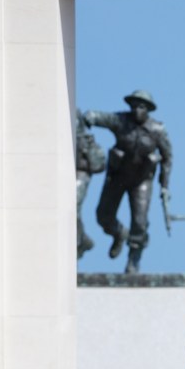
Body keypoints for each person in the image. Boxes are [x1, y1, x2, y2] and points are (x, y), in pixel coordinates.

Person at [83, 90, 172, 274]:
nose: (136, 110)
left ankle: (134, 260)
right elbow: (100, 117)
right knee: (103, 215)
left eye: (141, 106)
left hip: (141, 180)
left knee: (139, 222)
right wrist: (90, 117)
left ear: (148, 109)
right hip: (118, 176)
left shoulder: (157, 130)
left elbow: (167, 158)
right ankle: (119, 233)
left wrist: (164, 186)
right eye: (133, 106)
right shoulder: (121, 121)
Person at [75, 109, 106, 259]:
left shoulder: (86, 139)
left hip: (80, 173)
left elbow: (98, 166)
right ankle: (82, 239)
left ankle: (77, 242)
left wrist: (87, 147)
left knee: (71, 205)